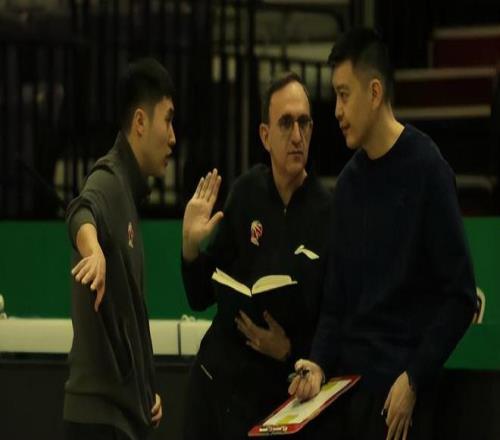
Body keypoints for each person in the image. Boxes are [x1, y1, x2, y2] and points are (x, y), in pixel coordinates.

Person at [289, 28, 477, 440]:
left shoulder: (428, 170)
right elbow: (335, 303)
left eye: (344, 95)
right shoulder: (348, 185)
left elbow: (461, 296)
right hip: (348, 395)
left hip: (402, 401)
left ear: (374, 93)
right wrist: (318, 363)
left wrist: (414, 377)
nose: (336, 110)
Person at [181, 72, 333, 440]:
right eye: (286, 123)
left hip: (277, 398)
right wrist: (190, 246)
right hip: (217, 381)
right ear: (265, 136)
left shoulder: (327, 211)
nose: (297, 136)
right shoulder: (246, 192)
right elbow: (200, 296)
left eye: (304, 123)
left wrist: (289, 351)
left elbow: (333, 321)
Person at [63, 58, 176, 440]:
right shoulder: (109, 178)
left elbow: (128, 318)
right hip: (98, 421)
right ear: (140, 122)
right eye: (167, 120)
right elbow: (81, 209)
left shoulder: (127, 191)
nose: (173, 137)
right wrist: (92, 251)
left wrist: (144, 392)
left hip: (121, 416)